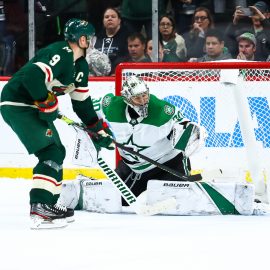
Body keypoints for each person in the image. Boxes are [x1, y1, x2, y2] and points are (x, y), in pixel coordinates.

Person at [0, 18, 114, 229]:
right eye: (90, 38)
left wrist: (97, 129)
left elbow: (82, 105)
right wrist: (46, 100)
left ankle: (48, 205)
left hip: (30, 106)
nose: (92, 42)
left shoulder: (80, 66)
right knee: (51, 152)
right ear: (82, 39)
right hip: (18, 103)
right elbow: (32, 76)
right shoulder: (60, 52)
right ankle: (41, 206)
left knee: (56, 151)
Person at [98, 76, 206, 205]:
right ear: (127, 98)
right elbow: (90, 110)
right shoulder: (111, 105)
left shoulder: (163, 111)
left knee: (175, 206)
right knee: (112, 202)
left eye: (145, 95)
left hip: (168, 164)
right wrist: (93, 128)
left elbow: (186, 127)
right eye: (137, 97)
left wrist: (191, 134)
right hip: (133, 168)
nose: (143, 101)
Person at [94, 7, 129, 75]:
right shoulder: (96, 38)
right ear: (103, 21)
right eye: (106, 17)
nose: (110, 19)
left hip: (119, 75)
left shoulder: (127, 37)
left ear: (119, 20)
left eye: (113, 17)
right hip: (98, 76)